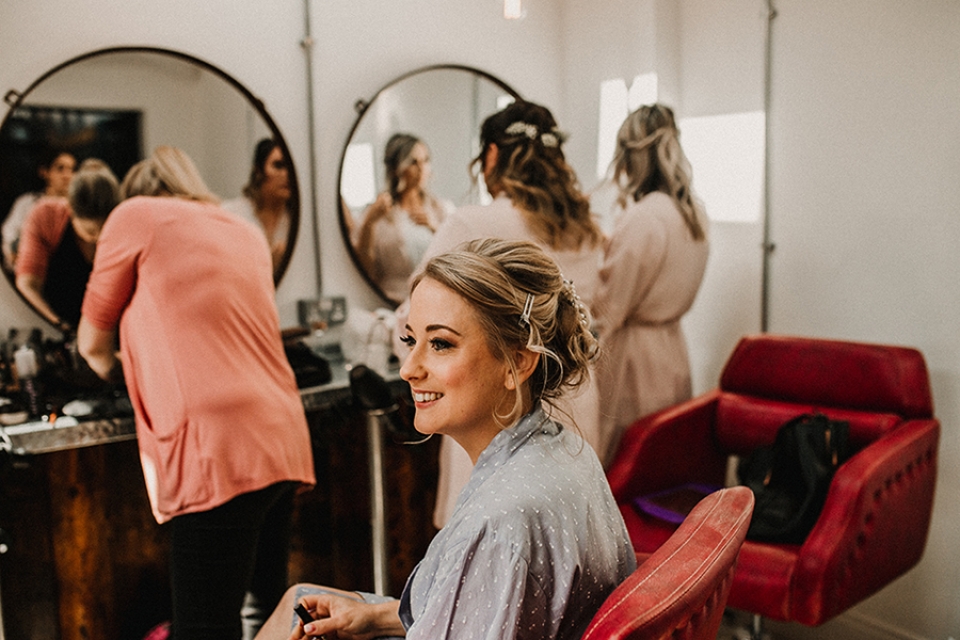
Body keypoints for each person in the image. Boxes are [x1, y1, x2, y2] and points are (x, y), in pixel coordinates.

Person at [255, 238, 636, 640]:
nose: (409, 370)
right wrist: (379, 615)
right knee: (299, 599)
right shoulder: (564, 450)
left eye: (440, 344)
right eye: (409, 340)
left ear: (517, 363)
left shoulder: (499, 524)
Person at [77, 146, 316, 640]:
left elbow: (91, 344)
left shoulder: (134, 215)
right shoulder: (243, 230)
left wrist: (121, 368)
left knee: (204, 628)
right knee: (265, 620)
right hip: (281, 435)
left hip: (216, 445)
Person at [396, 100, 606, 528]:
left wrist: (406, 340)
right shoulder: (585, 228)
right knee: (562, 532)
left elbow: (418, 308)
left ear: (492, 155)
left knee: (488, 533)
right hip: (573, 394)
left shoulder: (472, 223)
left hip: (501, 399)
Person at [592, 103, 710, 464]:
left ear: (629, 158)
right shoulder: (694, 213)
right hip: (673, 350)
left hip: (635, 360)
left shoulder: (642, 218)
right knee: (663, 459)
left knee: (627, 462)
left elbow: (610, 307)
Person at [14, 159, 118, 332]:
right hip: (59, 325)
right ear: (70, 210)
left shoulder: (124, 221)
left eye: (104, 230)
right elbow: (28, 284)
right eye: (90, 231)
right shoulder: (46, 216)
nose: (97, 239)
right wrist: (59, 326)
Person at [351, 133, 453, 302]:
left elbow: (459, 259)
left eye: (426, 160)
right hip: (391, 301)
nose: (422, 168)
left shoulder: (441, 209)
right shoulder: (378, 214)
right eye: (413, 162)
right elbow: (365, 269)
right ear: (395, 168)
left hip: (436, 301)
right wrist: (369, 224)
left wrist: (435, 227)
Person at [222, 138, 292, 274]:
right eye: (278, 165)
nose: (287, 174)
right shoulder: (231, 214)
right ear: (259, 171)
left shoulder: (298, 220)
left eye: (291, 167)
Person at [2, 149, 77, 270]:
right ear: (44, 172)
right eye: (60, 168)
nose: (67, 175)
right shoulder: (26, 203)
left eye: (72, 169)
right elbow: (10, 236)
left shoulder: (79, 207)